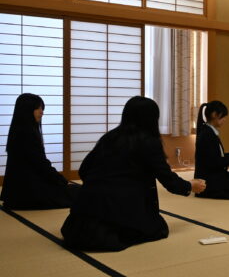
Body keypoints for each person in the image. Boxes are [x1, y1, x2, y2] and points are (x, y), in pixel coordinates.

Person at [61, 96, 206, 251]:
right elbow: (167, 179)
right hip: (116, 211)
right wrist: (190, 185)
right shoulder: (149, 142)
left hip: (80, 217)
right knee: (158, 228)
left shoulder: (110, 137)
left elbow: (84, 170)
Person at [1, 93, 79, 210]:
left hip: (15, 194)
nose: (42, 112)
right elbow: (42, 165)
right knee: (79, 193)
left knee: (76, 191)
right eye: (38, 108)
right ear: (27, 110)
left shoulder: (17, 131)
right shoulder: (27, 134)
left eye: (42, 108)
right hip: (30, 193)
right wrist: (62, 180)